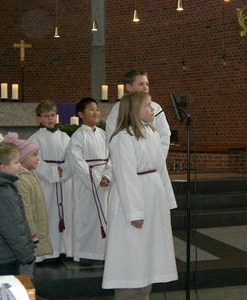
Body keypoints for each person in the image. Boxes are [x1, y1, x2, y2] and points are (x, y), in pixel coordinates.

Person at [102, 92, 178, 300]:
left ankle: (144, 293)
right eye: (147, 106)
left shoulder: (151, 133)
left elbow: (160, 168)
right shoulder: (122, 138)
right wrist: (135, 212)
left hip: (153, 200)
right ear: (135, 110)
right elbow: (126, 176)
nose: (152, 109)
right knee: (132, 255)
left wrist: (167, 200)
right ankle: (128, 294)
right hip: (133, 203)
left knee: (149, 255)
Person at [67, 97, 112, 264]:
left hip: (105, 181)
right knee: (86, 217)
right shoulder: (77, 137)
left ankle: (104, 251)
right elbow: (76, 161)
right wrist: (96, 178)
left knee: (106, 216)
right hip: (87, 184)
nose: (96, 112)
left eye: (97, 109)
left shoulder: (104, 134)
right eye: (91, 109)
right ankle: (85, 252)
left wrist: (108, 175)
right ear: (81, 114)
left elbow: (111, 157)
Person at [4, 132, 53, 279]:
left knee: (30, 269)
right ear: (23, 158)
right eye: (34, 155)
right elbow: (26, 212)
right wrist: (33, 235)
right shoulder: (21, 181)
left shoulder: (29, 176)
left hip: (31, 235)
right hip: (27, 237)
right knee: (25, 271)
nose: (37, 158)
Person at [28, 100, 73, 260]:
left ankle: (64, 249)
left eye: (53, 115)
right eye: (46, 116)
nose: (50, 119)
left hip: (64, 183)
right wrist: (55, 171)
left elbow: (72, 157)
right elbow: (34, 161)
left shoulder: (65, 137)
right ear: (39, 119)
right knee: (47, 215)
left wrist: (65, 170)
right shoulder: (34, 139)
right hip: (46, 184)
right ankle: (48, 252)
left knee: (66, 214)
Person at [0, 142, 35, 276]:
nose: (20, 166)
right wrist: (26, 255)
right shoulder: (2, 192)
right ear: (3, 167)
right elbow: (12, 228)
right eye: (16, 163)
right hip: (2, 257)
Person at [106, 69, 171, 158]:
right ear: (128, 87)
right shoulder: (119, 108)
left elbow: (164, 135)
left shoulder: (155, 108)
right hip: (126, 158)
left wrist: (158, 159)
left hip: (152, 160)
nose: (145, 87)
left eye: (147, 84)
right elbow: (111, 135)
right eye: (141, 84)